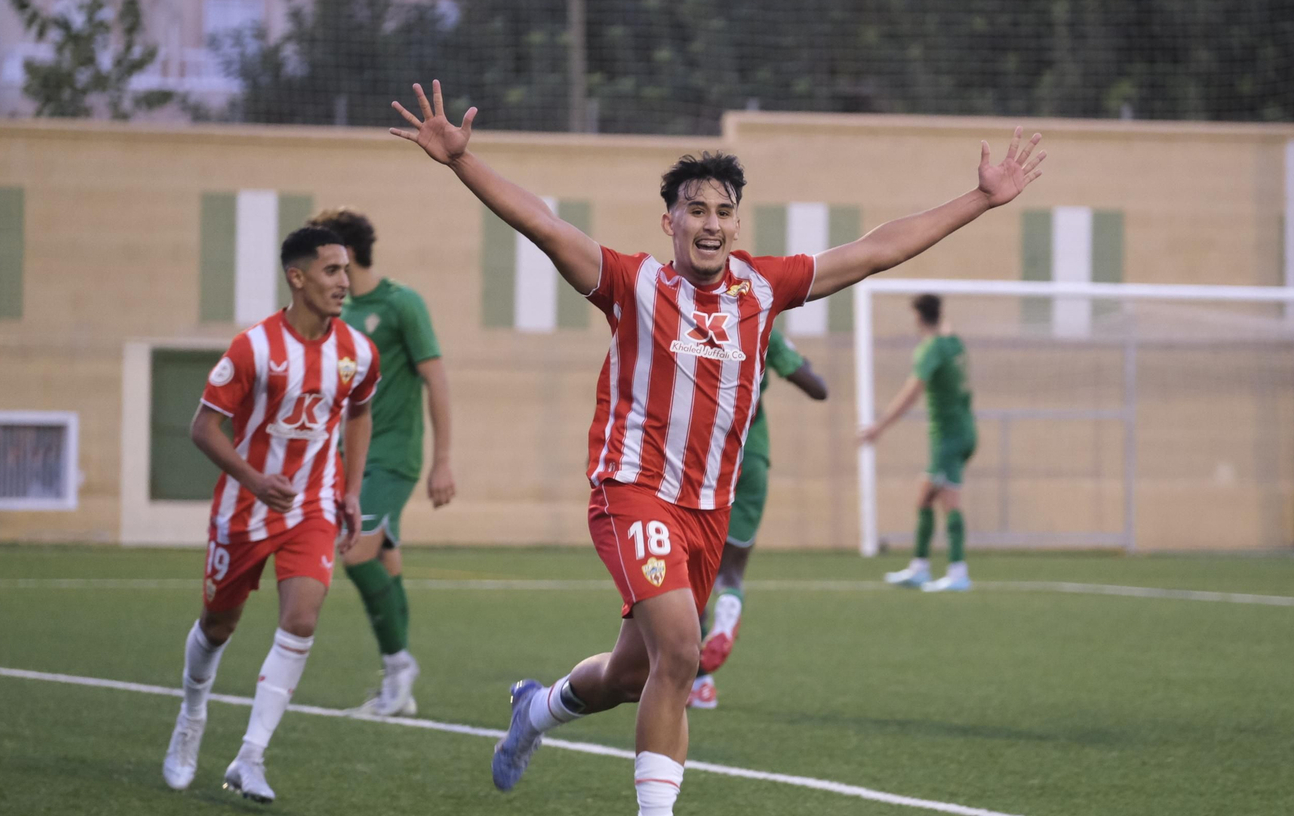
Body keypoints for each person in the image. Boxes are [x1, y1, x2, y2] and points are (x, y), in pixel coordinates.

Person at [390, 79, 1043, 816]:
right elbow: (543, 224)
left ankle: (537, 709)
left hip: (708, 511)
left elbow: (875, 251)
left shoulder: (763, 288)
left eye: (723, 211)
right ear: (669, 219)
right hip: (633, 490)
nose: (710, 223)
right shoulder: (632, 283)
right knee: (680, 650)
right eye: (696, 209)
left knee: (632, 674)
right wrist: (461, 161)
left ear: (737, 223)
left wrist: (980, 199)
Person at [161, 227, 380, 802]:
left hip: (314, 505)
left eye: (346, 269)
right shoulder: (252, 348)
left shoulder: (358, 352)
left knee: (302, 620)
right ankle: (191, 716)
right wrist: (254, 479)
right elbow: (203, 428)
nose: (344, 281)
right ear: (297, 277)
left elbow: (359, 414)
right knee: (218, 626)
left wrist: (351, 490)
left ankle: (250, 756)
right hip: (246, 508)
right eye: (331, 270)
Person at [309, 207, 455, 715]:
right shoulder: (336, 314)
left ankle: (399, 666)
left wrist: (443, 460)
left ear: (345, 255)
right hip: (348, 459)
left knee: (354, 553)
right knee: (385, 561)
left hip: (392, 456)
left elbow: (436, 380)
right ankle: (398, 687)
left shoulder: (401, 305)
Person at [689, 329, 827, 710]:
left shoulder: (693, 324)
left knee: (691, 574)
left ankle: (697, 678)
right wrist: (800, 363)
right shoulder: (764, 329)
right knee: (730, 572)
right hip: (752, 459)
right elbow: (818, 389)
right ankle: (727, 614)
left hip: (703, 457)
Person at [859, 294, 977, 592]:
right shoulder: (954, 343)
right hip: (964, 431)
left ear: (917, 318)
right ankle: (920, 568)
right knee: (925, 497)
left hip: (949, 436)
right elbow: (947, 329)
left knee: (949, 500)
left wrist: (879, 427)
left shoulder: (931, 349)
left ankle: (958, 573)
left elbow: (911, 393)